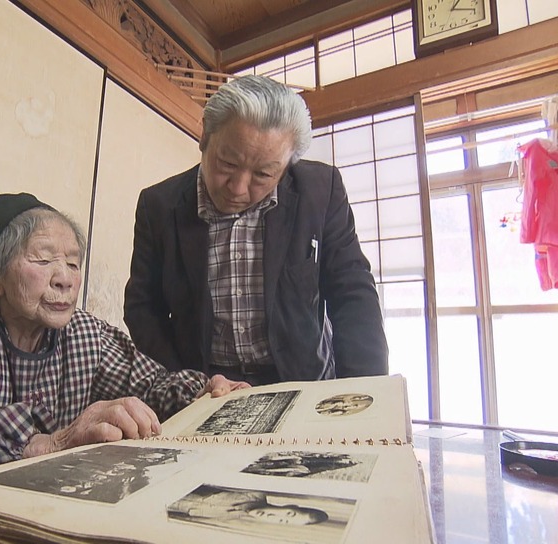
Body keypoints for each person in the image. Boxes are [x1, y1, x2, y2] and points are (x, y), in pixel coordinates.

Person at [0, 193, 248, 542]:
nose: (65, 280)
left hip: (26, 521)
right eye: (43, 259)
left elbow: (152, 383)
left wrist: (205, 390)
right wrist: (51, 443)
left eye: (73, 264)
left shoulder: (83, 331)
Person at [124, 74, 388, 386]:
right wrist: (180, 384)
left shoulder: (320, 191)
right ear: (205, 134)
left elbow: (352, 289)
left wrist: (365, 391)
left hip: (300, 379)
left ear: (288, 164)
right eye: (227, 164)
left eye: (263, 174)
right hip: (207, 387)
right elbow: (143, 306)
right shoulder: (159, 205)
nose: (238, 188)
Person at [168, 485, 328, 526]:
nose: (273, 516)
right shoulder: (252, 490)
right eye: (288, 514)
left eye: (282, 521)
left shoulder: (227, 519)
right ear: (290, 505)